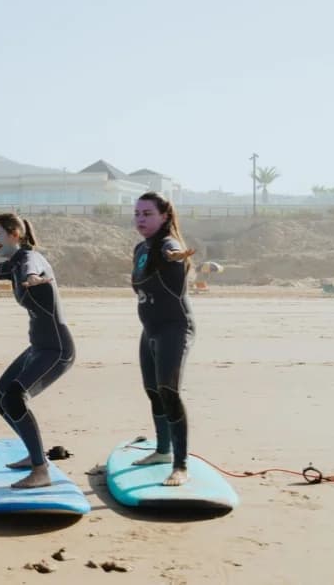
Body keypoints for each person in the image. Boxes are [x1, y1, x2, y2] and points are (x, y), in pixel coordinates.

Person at [0, 214, 75, 488]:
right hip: (38, 346)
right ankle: (34, 455)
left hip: (57, 349)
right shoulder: (15, 262)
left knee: (15, 397)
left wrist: (32, 279)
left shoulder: (30, 260)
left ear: (15, 233)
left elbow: (32, 269)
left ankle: (40, 470)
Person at [130, 191, 196, 487]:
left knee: (169, 391)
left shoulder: (169, 245)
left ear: (164, 216)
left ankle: (181, 465)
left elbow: (173, 255)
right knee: (152, 391)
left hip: (174, 328)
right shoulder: (140, 249)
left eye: (147, 214)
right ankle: (161, 451)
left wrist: (175, 258)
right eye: (137, 214)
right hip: (150, 330)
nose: (140, 219)